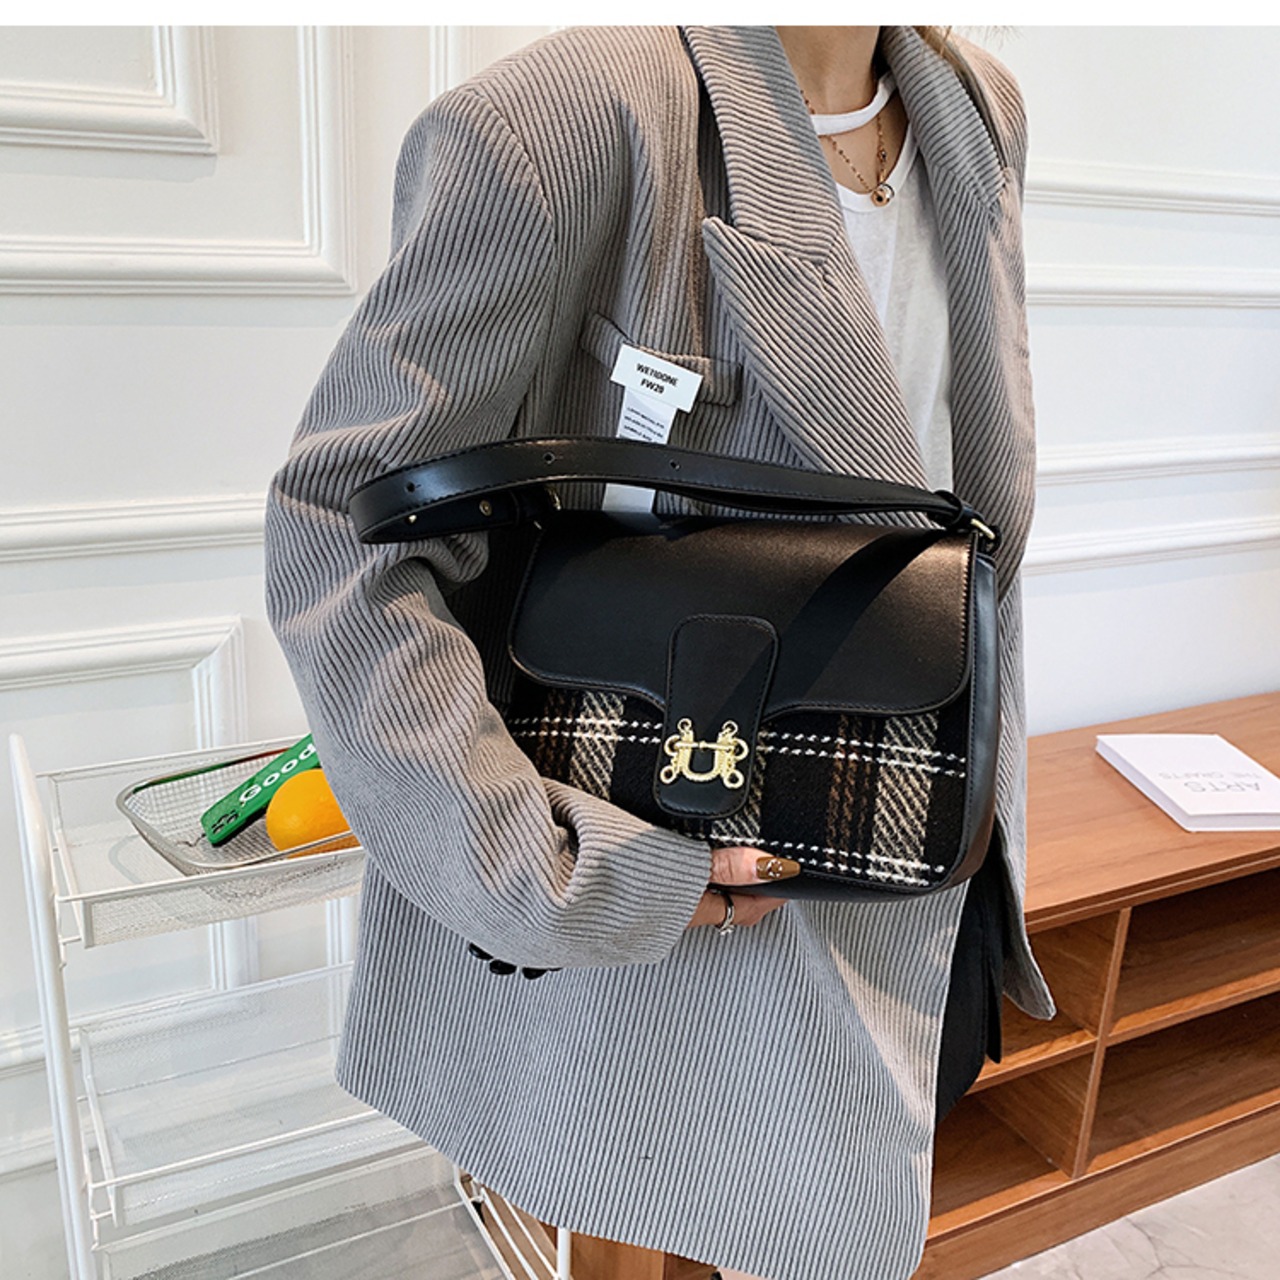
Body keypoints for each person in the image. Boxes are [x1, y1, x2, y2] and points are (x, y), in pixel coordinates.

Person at [263, 24, 1057, 1280]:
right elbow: (345, 531)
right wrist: (557, 867)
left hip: (913, 856)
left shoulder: (975, 111)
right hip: (673, 918)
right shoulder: (562, 122)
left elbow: (955, 491)